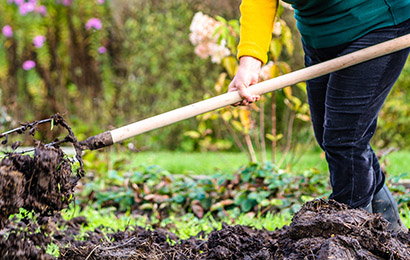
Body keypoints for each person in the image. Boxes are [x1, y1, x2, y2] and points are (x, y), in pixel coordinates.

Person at [229, 0, 410, 232]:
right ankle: (390, 230)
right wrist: (249, 64)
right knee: (332, 135)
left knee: (344, 138)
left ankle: (353, 234)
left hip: (376, 23)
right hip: (320, 36)